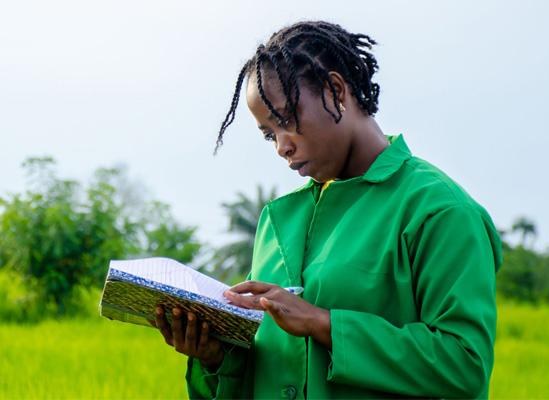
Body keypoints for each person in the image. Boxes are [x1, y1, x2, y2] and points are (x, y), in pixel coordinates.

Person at [154, 20, 502, 399]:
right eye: (270, 134)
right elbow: (275, 370)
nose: (281, 147)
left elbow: (465, 364)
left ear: (336, 91)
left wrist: (322, 323)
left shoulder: (438, 210)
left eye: (287, 121)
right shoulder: (278, 221)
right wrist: (215, 358)